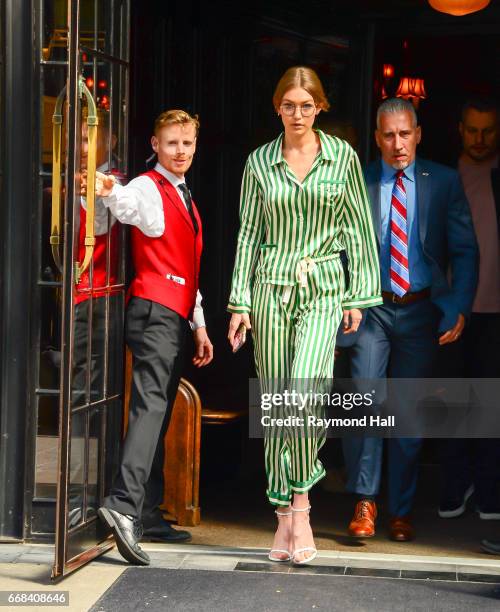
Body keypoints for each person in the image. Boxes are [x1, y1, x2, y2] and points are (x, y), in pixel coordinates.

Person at [227, 66, 382, 564]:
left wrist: (359, 295)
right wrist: (240, 303)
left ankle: (302, 502)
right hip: (270, 289)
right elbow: (249, 233)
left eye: (306, 105)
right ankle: (283, 516)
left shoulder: (343, 158)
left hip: (322, 290)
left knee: (306, 392)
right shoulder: (259, 163)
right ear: (278, 107)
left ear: (320, 108)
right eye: (289, 105)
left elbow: (358, 226)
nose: (298, 114)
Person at [342, 98, 478, 542]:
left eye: (405, 134)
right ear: (377, 137)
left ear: (418, 133)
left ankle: (401, 509)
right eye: (388, 135)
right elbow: (338, 247)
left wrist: (457, 306)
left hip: (421, 310)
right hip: (370, 309)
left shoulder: (443, 182)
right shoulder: (357, 180)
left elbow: (463, 248)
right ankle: (365, 502)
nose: (398, 144)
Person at [90, 109, 214, 566]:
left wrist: (198, 324)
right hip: (154, 311)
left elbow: (187, 270)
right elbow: (126, 205)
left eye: (187, 143)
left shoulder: (183, 195)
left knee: (158, 411)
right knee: (151, 407)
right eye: (172, 143)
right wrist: (107, 188)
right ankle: (123, 505)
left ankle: (145, 509)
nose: (180, 151)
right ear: (156, 144)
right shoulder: (148, 187)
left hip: (174, 312)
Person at [438, 98, 500, 527]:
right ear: (459, 129)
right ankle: (455, 485)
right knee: (449, 404)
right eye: (472, 130)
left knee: (491, 406)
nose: (479, 139)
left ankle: (490, 489)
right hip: (449, 312)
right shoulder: (440, 176)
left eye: (488, 131)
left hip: (496, 311)